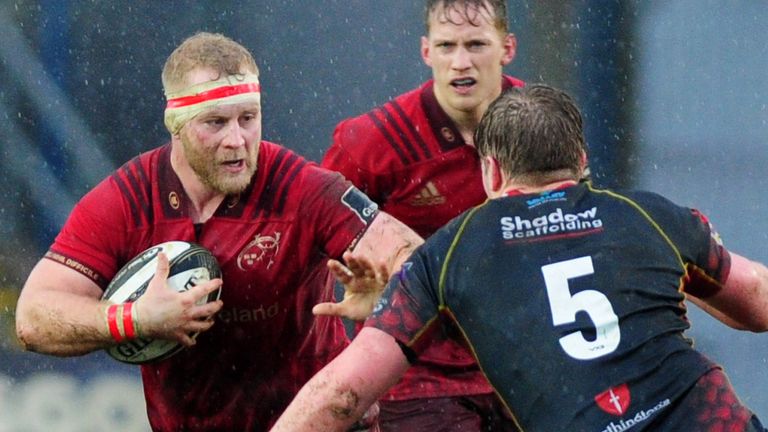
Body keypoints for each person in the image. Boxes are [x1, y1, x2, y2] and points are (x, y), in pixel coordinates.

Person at [272, 84, 768, 431]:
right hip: (709, 419)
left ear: (490, 171)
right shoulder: (648, 213)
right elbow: (758, 301)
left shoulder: (448, 253)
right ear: (581, 160)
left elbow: (341, 396)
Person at [14, 32, 422, 431]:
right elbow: (33, 317)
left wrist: (389, 302)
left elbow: (420, 264)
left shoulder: (302, 187)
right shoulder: (126, 201)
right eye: (215, 122)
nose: (237, 140)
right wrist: (134, 319)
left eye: (248, 118)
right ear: (175, 123)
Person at [320, 0, 522, 429]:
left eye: (476, 44)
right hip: (419, 379)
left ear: (507, 48)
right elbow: (316, 235)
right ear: (426, 51)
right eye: (447, 46)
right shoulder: (371, 144)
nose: (461, 62)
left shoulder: (541, 126)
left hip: (527, 370)